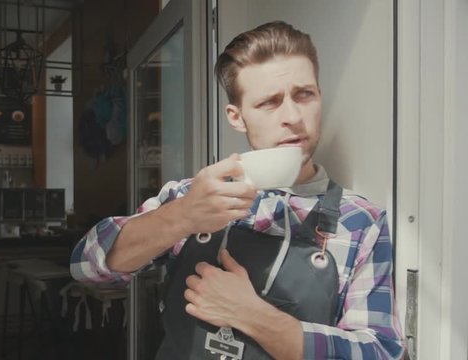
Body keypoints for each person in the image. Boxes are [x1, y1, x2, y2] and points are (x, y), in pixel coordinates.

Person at [70, 21, 404, 359]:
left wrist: (253, 316)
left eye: (305, 95)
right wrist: (181, 216)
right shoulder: (194, 195)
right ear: (237, 117)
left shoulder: (362, 221)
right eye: (269, 103)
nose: (293, 116)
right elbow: (88, 268)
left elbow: (380, 350)